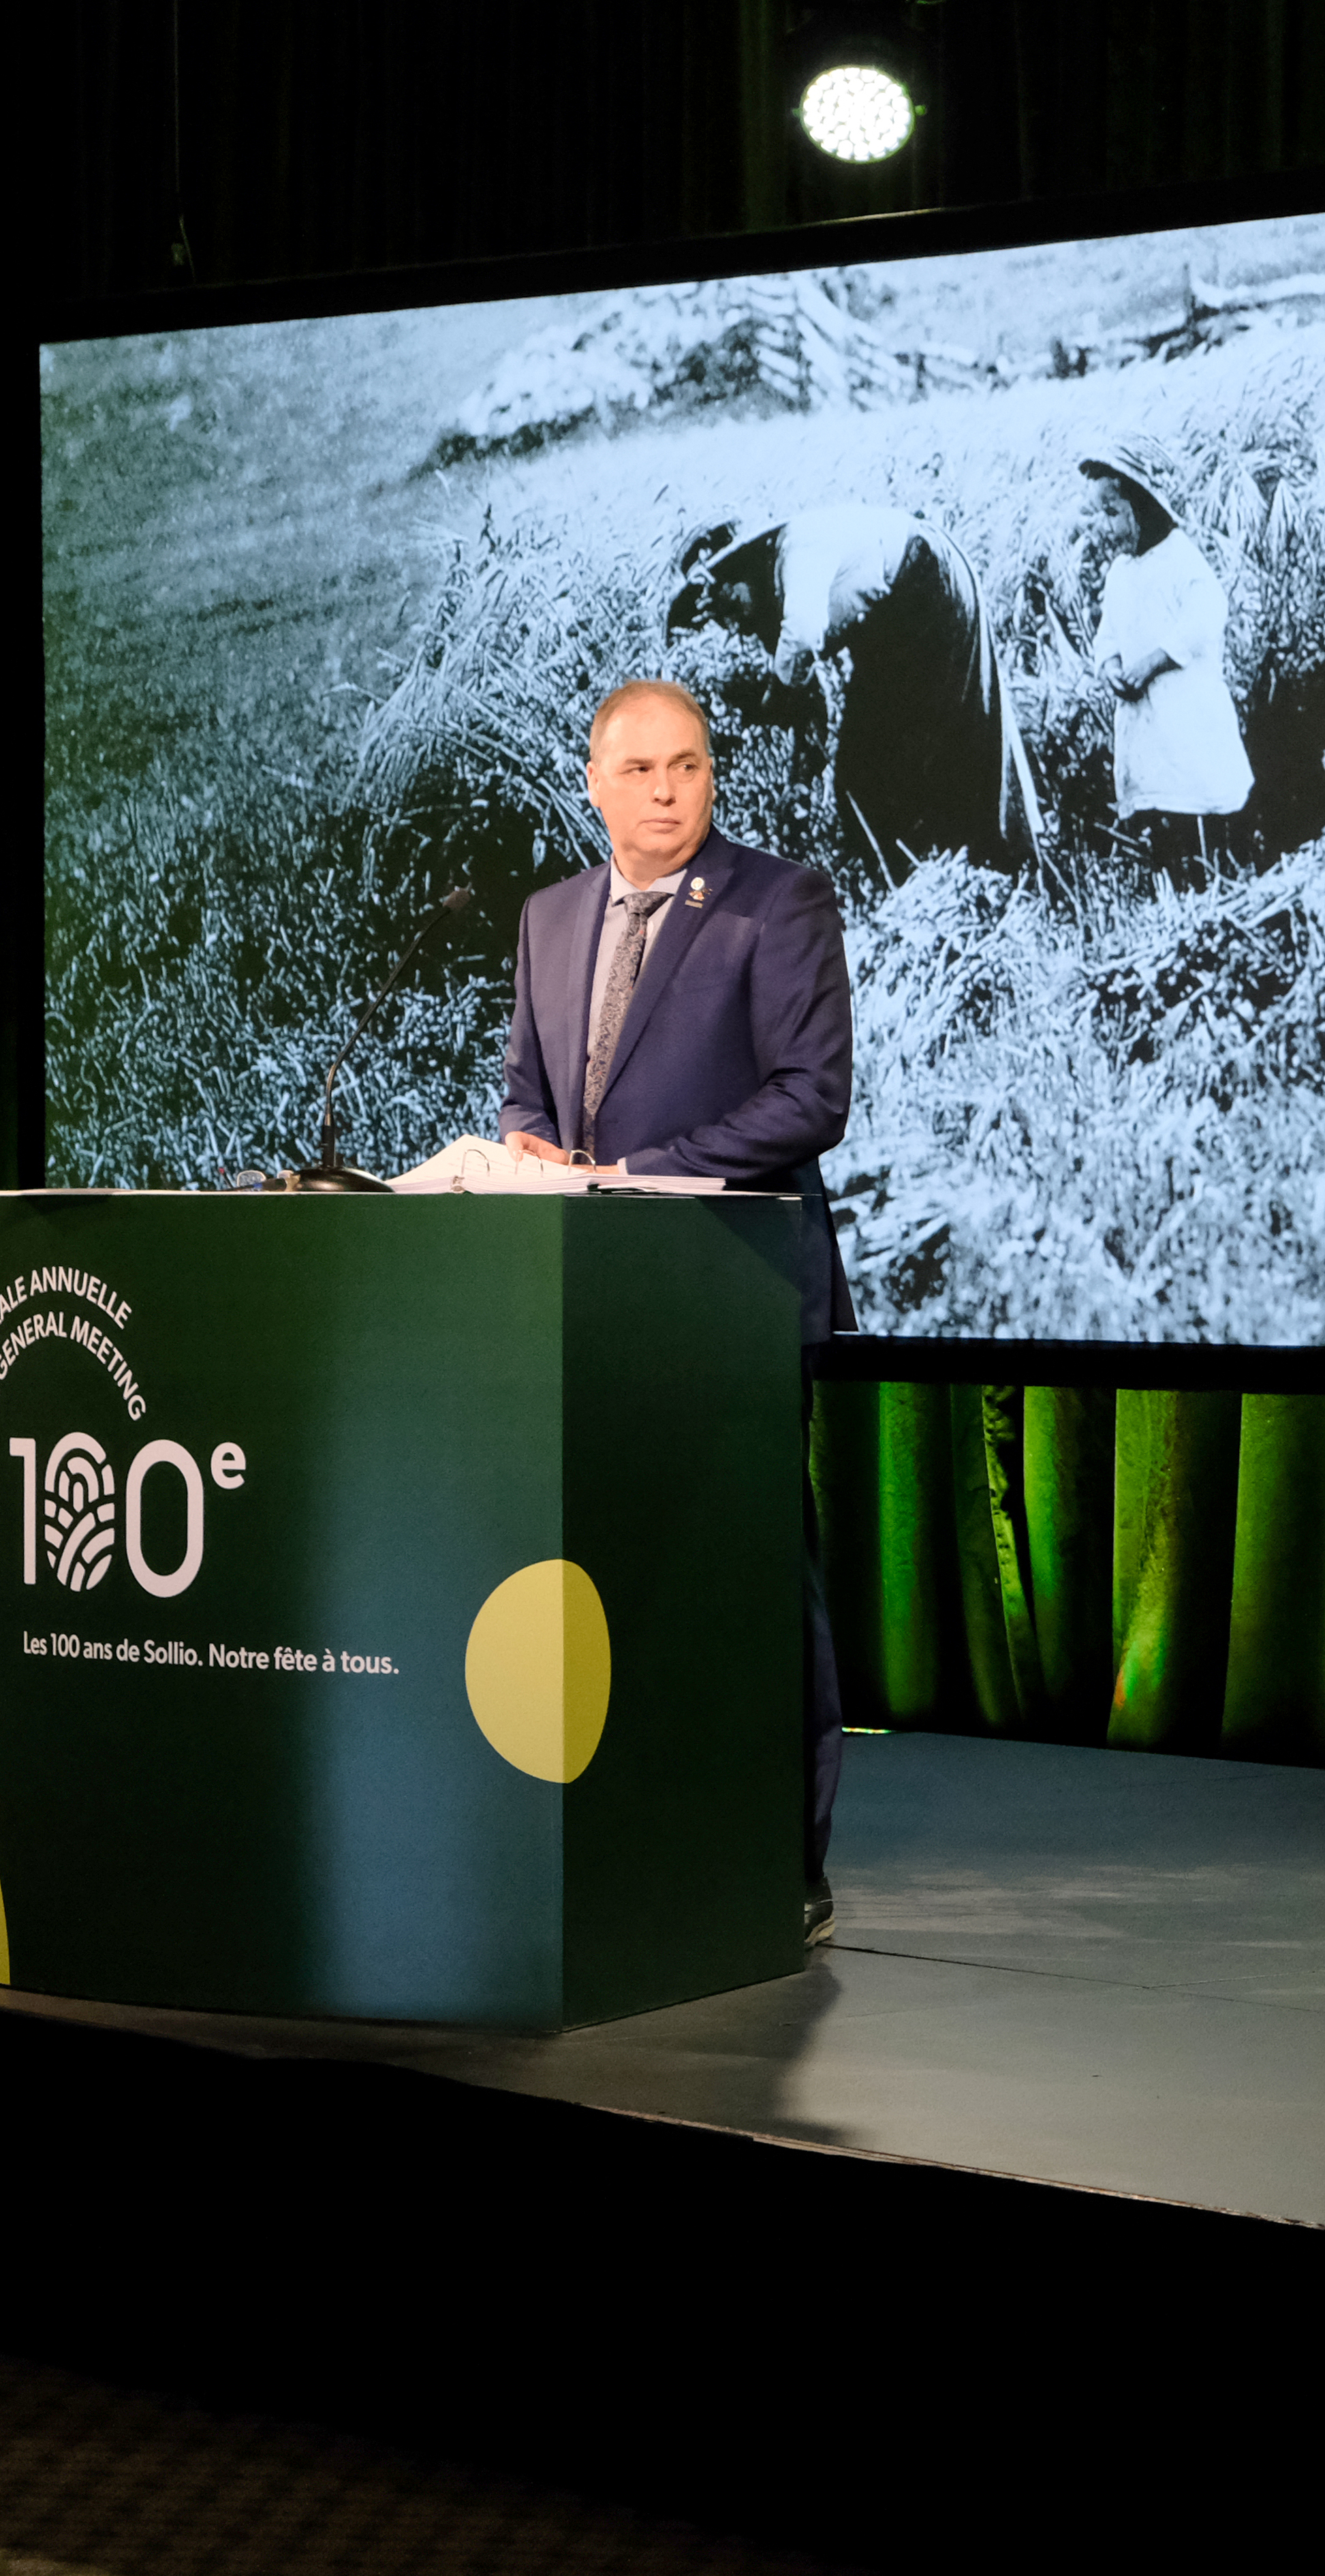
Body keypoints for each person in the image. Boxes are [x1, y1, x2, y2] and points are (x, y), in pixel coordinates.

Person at [498, 677, 856, 1946]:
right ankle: (637, 1834)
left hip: (735, 1296)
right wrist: (534, 1154)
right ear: (593, 782)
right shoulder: (548, 918)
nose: (667, 791)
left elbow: (812, 1100)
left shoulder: (777, 902)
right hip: (595, 1305)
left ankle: (786, 1861)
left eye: (690, 767)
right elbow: (532, 1096)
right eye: (641, 770)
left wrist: (629, 1178)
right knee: (612, 1579)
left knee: (760, 1584)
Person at [1054, 447, 1247, 822]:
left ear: (1142, 508)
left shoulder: (1180, 558)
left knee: (1195, 807)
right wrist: (1111, 667)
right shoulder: (1120, 574)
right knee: (1156, 814)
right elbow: (1106, 635)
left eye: (1114, 513)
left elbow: (1205, 616)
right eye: (1101, 515)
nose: (1106, 528)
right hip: (1145, 727)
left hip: (1187, 721)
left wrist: (1152, 663)